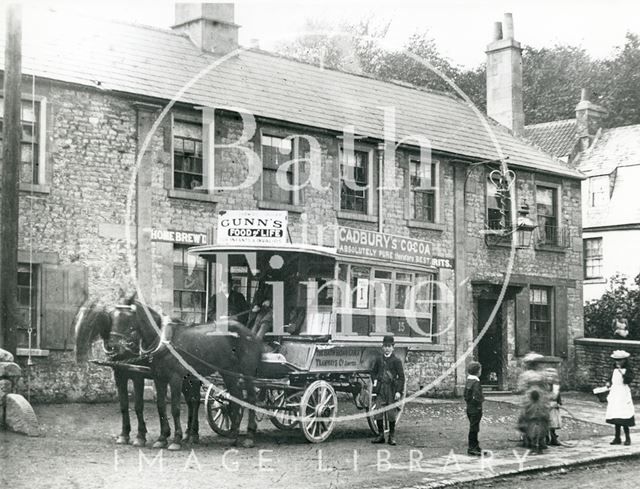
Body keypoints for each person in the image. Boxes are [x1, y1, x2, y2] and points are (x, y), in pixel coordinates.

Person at [371, 335, 405, 446]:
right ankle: (381, 435)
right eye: (385, 346)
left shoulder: (396, 361)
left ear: (393, 347)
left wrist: (398, 391)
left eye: (389, 346)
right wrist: (375, 380)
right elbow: (373, 372)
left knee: (391, 413)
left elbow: (401, 377)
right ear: (382, 347)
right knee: (378, 412)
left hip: (391, 389)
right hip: (381, 389)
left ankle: (391, 436)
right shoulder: (379, 359)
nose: (387, 348)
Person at [605, 350, 635, 445]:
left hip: (623, 394)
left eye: (619, 360)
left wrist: (622, 373)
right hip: (615, 393)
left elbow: (627, 380)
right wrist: (608, 383)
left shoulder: (628, 371)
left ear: (624, 361)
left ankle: (627, 438)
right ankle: (617, 437)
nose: (617, 362)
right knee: (616, 415)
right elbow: (611, 379)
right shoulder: (614, 370)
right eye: (616, 360)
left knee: (624, 415)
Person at [518, 389, 551, 454]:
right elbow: (546, 414)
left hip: (536, 423)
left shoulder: (534, 405)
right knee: (536, 436)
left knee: (535, 436)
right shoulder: (539, 405)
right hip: (537, 423)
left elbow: (525, 414)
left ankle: (537, 449)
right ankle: (538, 448)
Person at [464, 361, 484, 456]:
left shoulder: (469, 381)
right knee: (474, 428)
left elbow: (466, 395)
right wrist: (479, 403)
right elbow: (477, 396)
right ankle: (472, 447)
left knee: (473, 427)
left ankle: (475, 446)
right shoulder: (476, 382)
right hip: (476, 409)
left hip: (469, 408)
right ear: (477, 371)